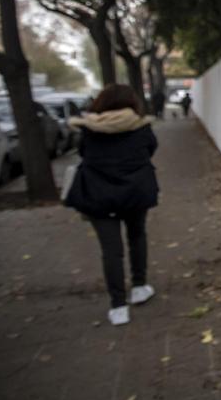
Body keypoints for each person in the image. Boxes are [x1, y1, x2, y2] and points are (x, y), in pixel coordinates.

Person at [66, 84, 160, 326]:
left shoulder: (90, 130)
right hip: (134, 192)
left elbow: (84, 154)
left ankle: (118, 307)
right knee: (137, 236)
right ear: (132, 102)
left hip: (98, 195)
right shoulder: (141, 127)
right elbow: (150, 150)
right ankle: (139, 287)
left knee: (111, 250)